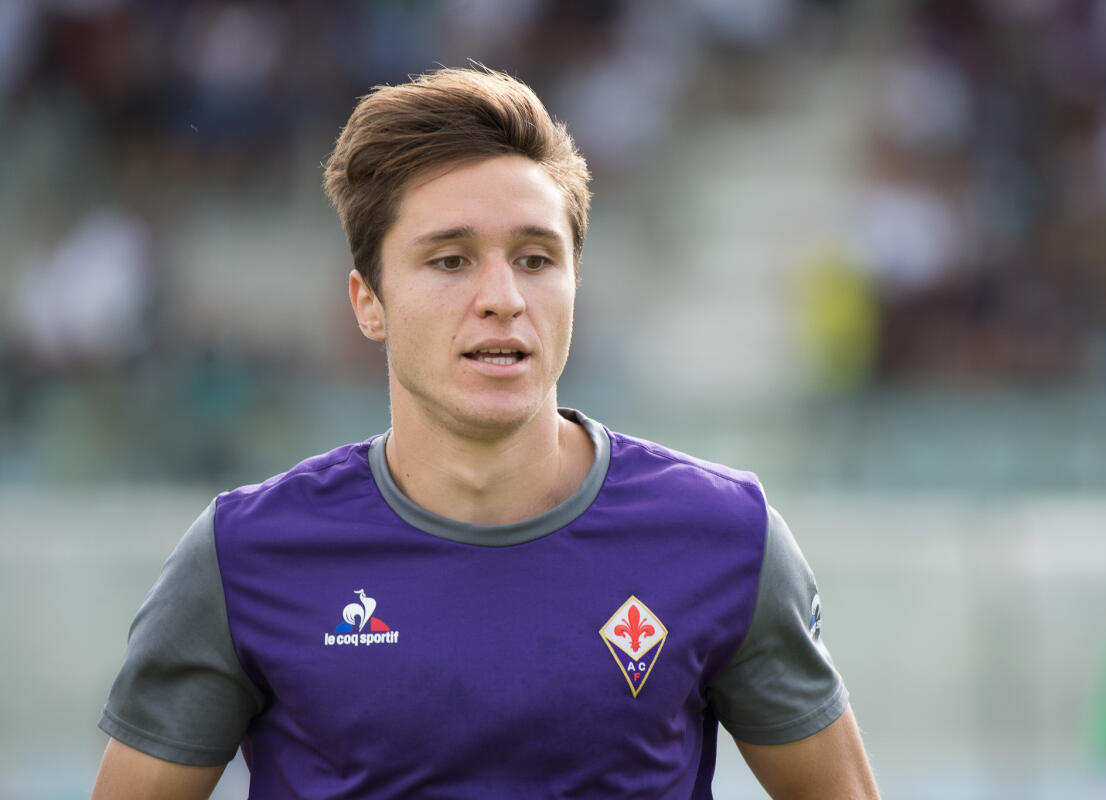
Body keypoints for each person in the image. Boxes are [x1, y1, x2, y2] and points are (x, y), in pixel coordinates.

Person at [91, 65, 880, 800]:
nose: (503, 297)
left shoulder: (724, 539)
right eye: (450, 261)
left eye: (536, 259)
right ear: (369, 301)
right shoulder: (244, 557)